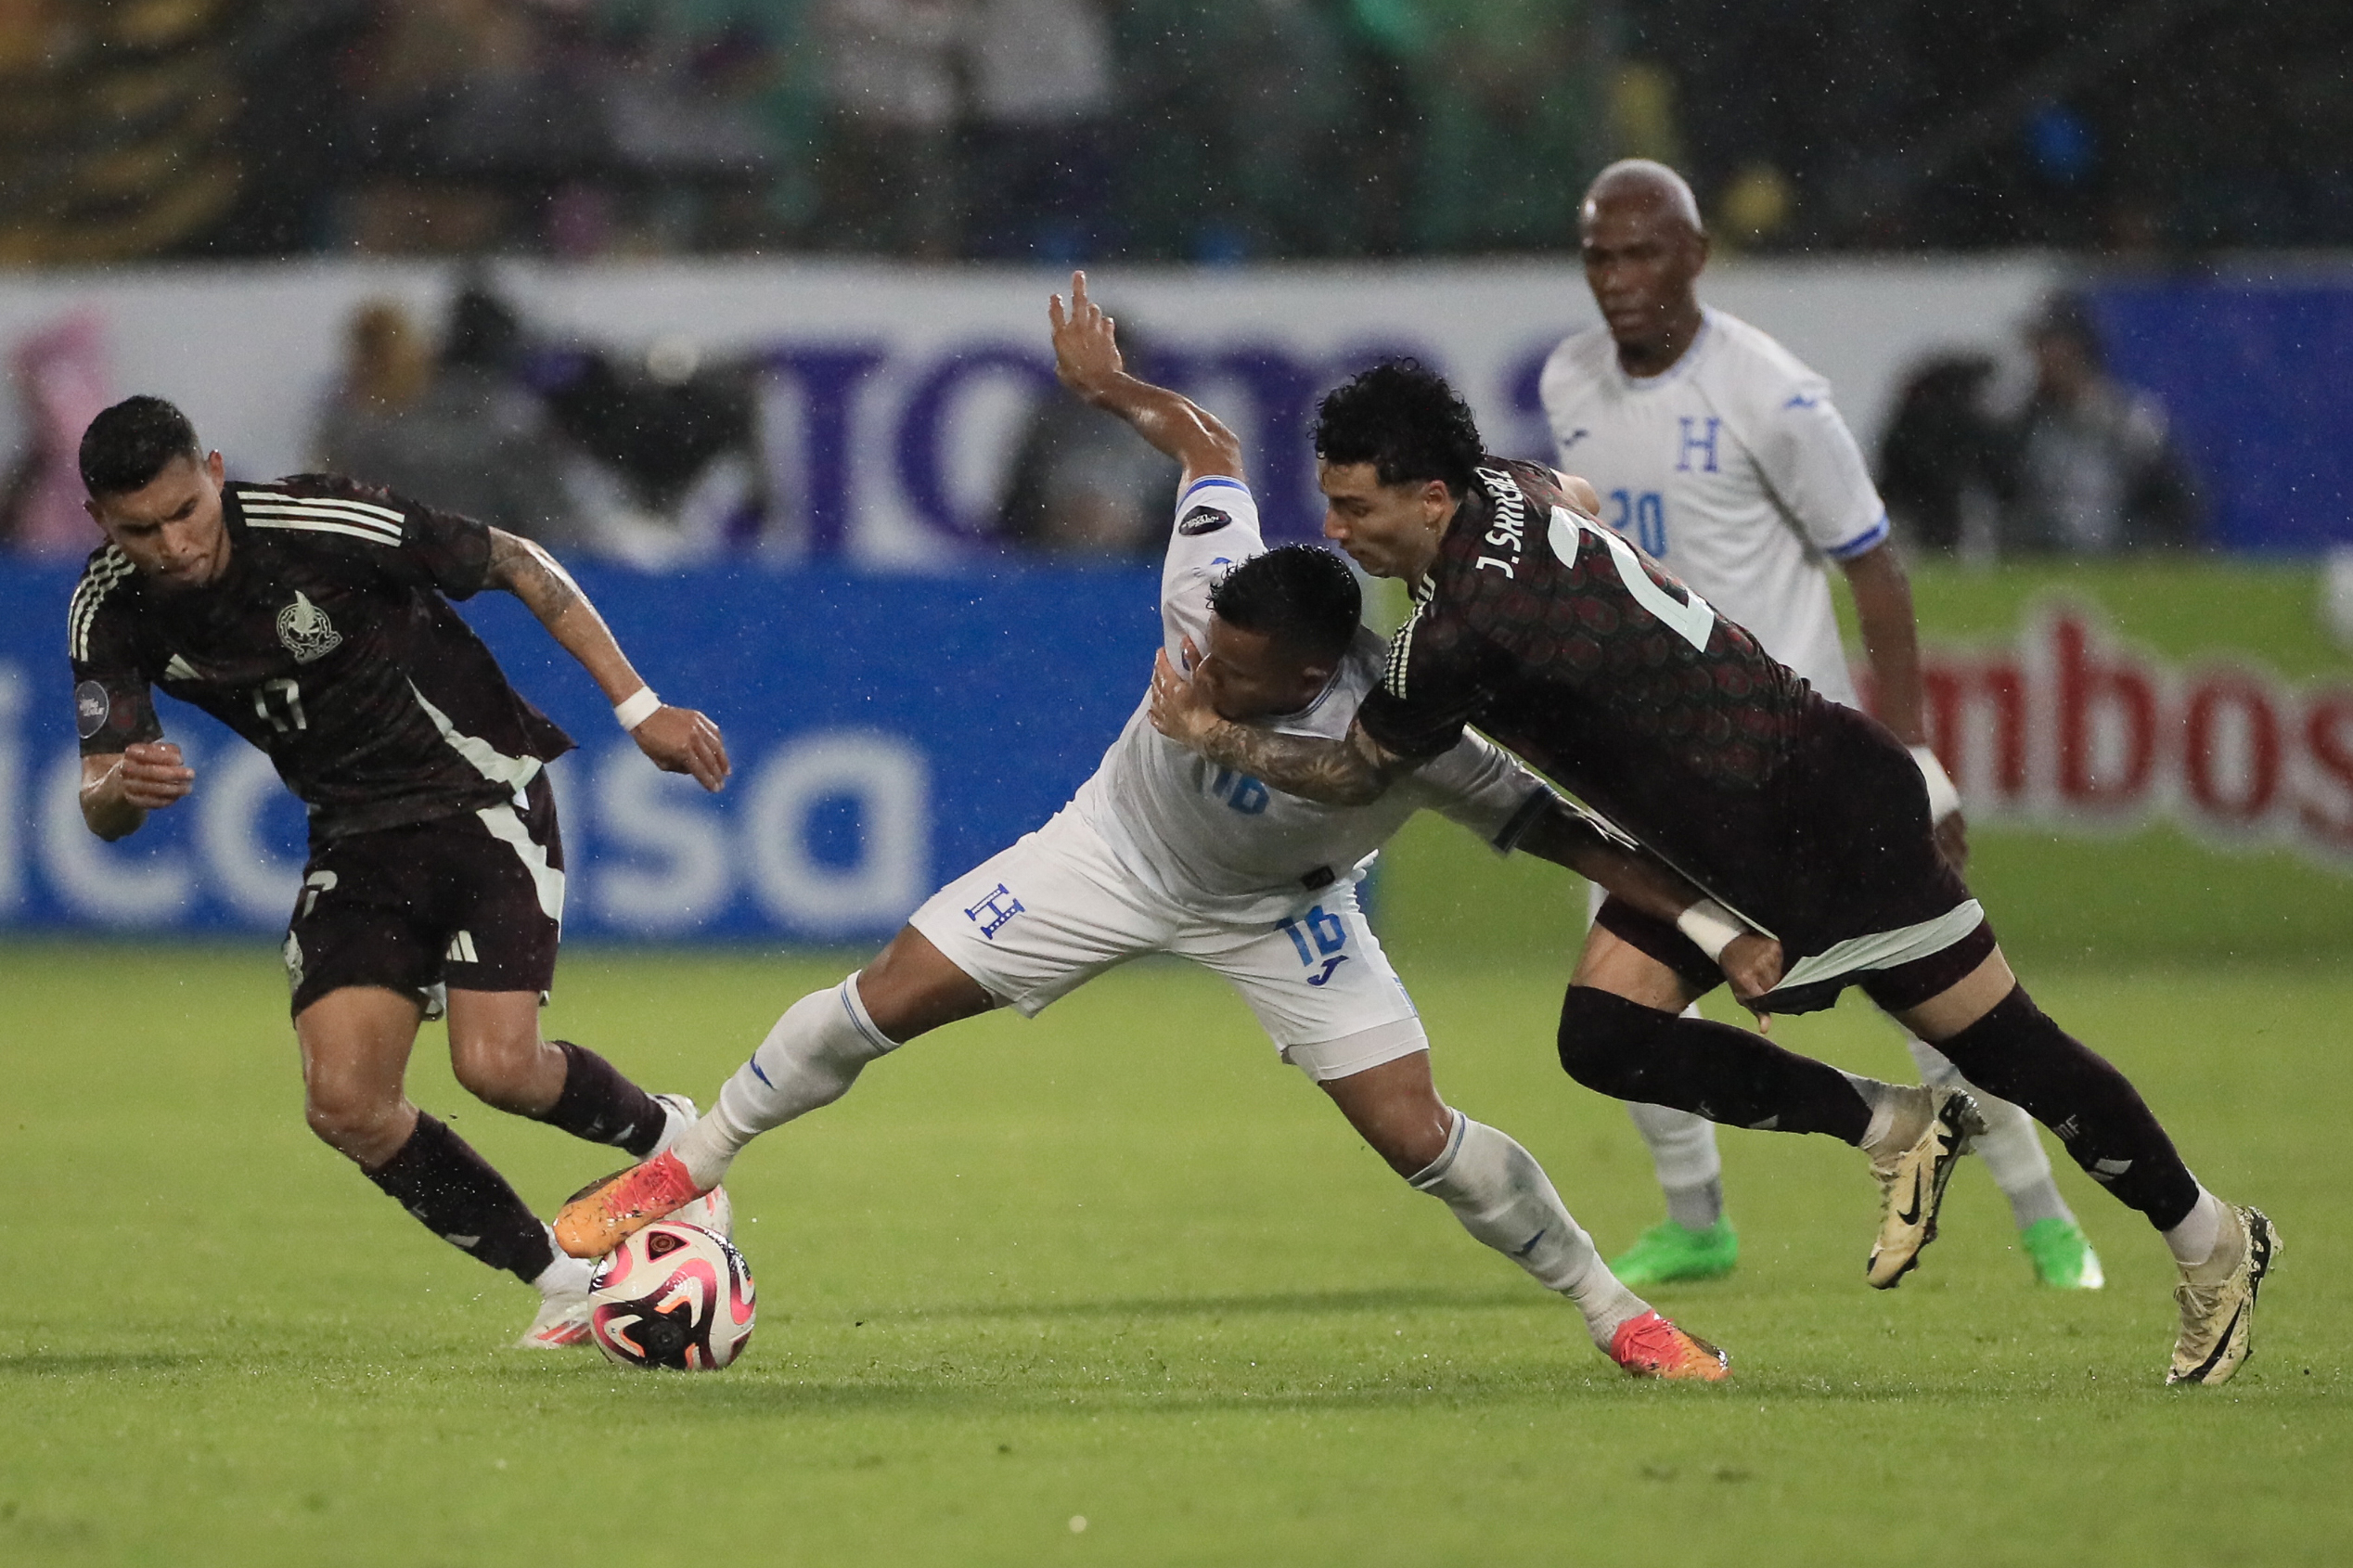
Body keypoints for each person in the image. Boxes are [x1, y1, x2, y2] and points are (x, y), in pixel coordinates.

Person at [558, 275, 1745, 1381]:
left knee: (1416, 1137)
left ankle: (1616, 1311)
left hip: (1286, 912)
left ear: (1315, 672)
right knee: (881, 998)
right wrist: (1112, 390)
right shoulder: (1208, 581)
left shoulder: (1411, 727)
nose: (1203, 681)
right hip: (1112, 852)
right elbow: (1209, 444)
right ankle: (688, 1160)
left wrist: (1712, 925)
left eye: (1239, 677)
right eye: (1206, 657)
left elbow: (1577, 841)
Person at [1147, 359, 2276, 1386]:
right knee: (1603, 1036)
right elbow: (1577, 499)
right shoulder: (1508, 487)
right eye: (1332, 501)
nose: (1335, 527)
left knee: (2014, 1050)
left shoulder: (1462, 635)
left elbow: (1351, 772)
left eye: (1355, 506)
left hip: (1828, 826)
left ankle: (2213, 1242)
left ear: (1430, 499)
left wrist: (1213, 734)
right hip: (1724, 844)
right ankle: (1895, 1124)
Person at [1536, 160, 2101, 1292]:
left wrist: (1916, 760)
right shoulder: (1568, 382)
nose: (1620, 279)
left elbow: (1874, 572)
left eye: (1643, 253)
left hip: (1797, 760)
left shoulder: (1774, 393)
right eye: (1600, 256)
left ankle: (2046, 1219)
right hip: (1655, 764)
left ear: (1694, 256)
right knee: (1616, 996)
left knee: (1923, 988)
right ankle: (1697, 1220)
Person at [68, 395, 731, 1348]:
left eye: (186, 512)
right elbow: (102, 806)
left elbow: (514, 561)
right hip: (352, 836)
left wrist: (641, 710)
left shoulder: (319, 524)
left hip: (477, 794)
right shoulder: (107, 608)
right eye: (141, 530)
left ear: (213, 470)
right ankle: (566, 1279)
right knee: (345, 1104)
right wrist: (122, 784)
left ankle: (673, 1143)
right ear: (100, 521)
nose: (173, 545)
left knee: (497, 1068)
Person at [2001, 292, 2202, 557]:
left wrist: (2146, 546)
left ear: (2077, 348)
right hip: (2045, 564)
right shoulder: (2021, 422)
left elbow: (2177, 505)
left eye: (2048, 344)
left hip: (2121, 565)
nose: (2039, 356)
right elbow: (2004, 506)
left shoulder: (2129, 420)